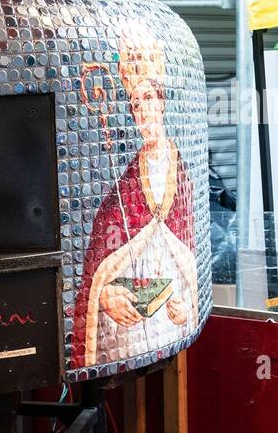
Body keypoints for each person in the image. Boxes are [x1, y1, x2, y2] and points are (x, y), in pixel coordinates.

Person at [72, 19, 199, 370]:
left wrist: (184, 301)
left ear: (162, 103)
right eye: (134, 104)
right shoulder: (128, 180)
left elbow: (188, 254)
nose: (141, 111)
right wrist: (107, 293)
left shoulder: (180, 174)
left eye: (147, 100)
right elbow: (102, 251)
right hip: (126, 324)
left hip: (166, 321)